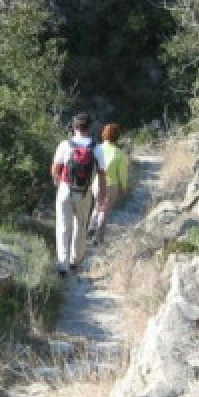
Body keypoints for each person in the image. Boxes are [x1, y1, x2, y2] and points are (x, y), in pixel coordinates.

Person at [51, 113, 107, 277]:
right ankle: (76, 260)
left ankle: (63, 264)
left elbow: (55, 169)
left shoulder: (65, 145)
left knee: (63, 226)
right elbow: (102, 174)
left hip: (65, 190)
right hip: (84, 193)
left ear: (74, 127)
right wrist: (101, 196)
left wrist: (59, 184)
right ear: (89, 128)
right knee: (80, 226)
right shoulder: (96, 148)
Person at [89, 123, 129, 244]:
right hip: (111, 185)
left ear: (104, 134)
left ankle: (91, 225)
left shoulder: (97, 149)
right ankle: (98, 238)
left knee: (97, 205)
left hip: (96, 183)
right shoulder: (119, 153)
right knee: (104, 211)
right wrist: (123, 187)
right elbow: (122, 173)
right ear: (117, 136)